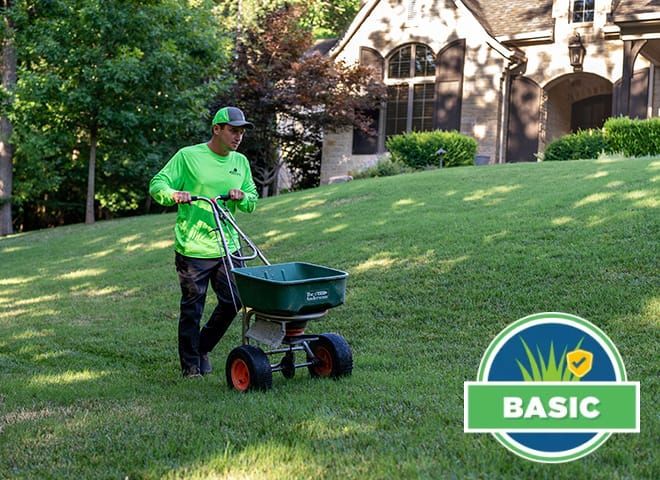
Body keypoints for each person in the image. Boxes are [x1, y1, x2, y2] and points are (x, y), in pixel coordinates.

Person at [149, 106, 259, 378]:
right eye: (233, 130)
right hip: (193, 248)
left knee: (233, 301)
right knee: (192, 308)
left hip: (227, 244)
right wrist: (174, 194)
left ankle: (202, 347)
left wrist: (241, 197)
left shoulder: (240, 162)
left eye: (242, 132)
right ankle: (190, 367)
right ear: (217, 129)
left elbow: (252, 199)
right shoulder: (188, 156)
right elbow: (157, 184)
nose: (238, 137)